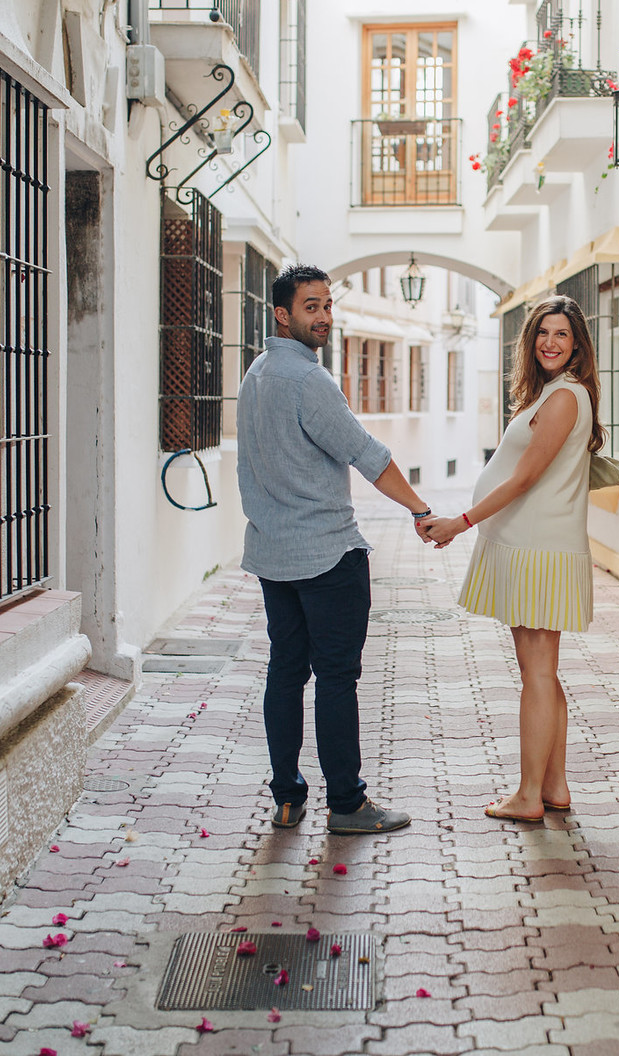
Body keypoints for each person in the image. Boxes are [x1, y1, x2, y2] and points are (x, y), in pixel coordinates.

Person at [234, 264, 432, 834]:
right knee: (337, 679)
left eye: (326, 305)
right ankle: (347, 804)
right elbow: (367, 455)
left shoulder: (257, 373)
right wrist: (420, 510)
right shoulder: (306, 381)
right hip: (326, 555)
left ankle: (288, 797)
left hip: (274, 556)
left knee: (286, 673)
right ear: (282, 314)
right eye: (310, 307)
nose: (323, 316)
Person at [420, 295, 602, 823]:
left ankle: (527, 795)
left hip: (540, 551)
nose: (550, 342)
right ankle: (554, 786)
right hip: (533, 547)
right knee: (542, 673)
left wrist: (461, 522)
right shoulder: (554, 393)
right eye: (543, 332)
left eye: (562, 334)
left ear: (577, 345)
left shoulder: (565, 398)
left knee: (537, 676)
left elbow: (525, 478)